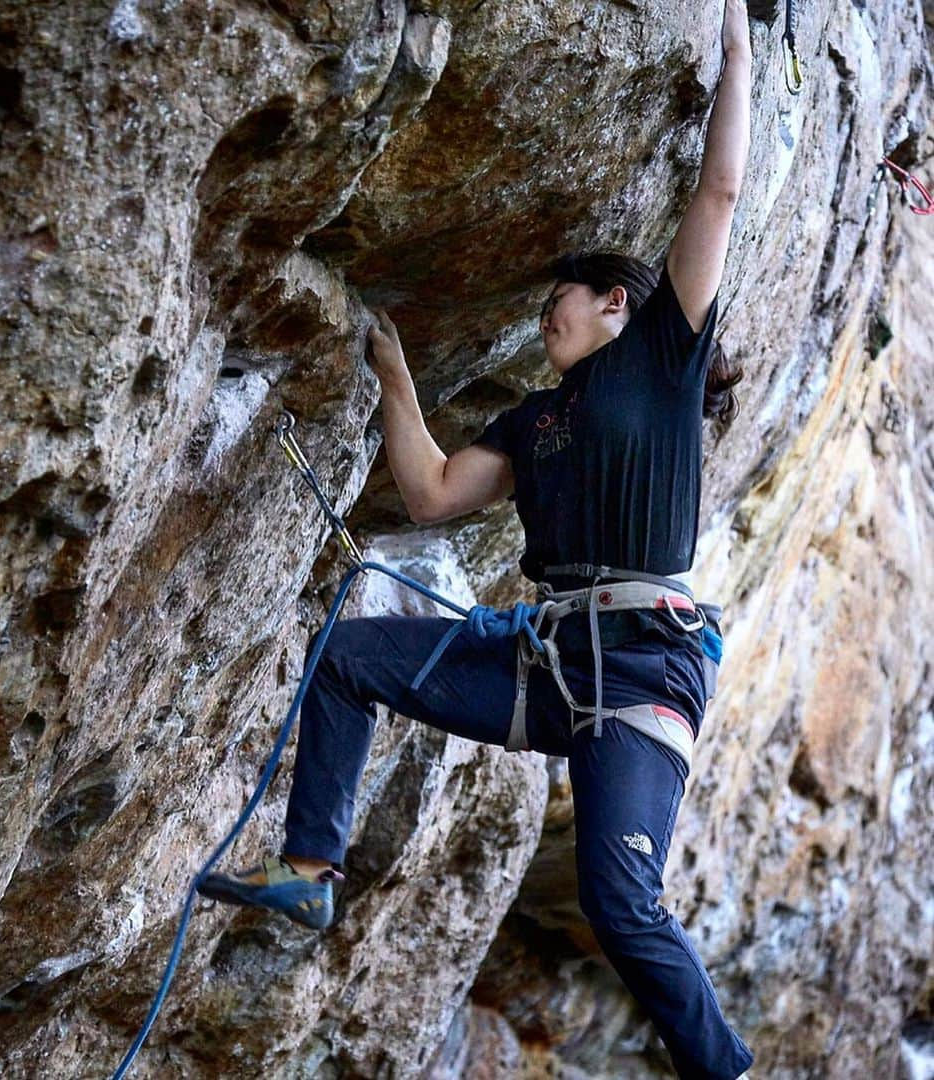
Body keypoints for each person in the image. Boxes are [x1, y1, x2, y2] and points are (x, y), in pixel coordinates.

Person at [201, 2, 755, 1075]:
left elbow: (719, 190)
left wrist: (735, 42)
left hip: (643, 667)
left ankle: (723, 1069)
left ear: (615, 306)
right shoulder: (528, 425)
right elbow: (431, 496)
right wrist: (396, 377)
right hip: (548, 662)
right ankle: (309, 867)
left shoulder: (660, 363)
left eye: (566, 296)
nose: (548, 309)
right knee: (351, 657)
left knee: (619, 899)